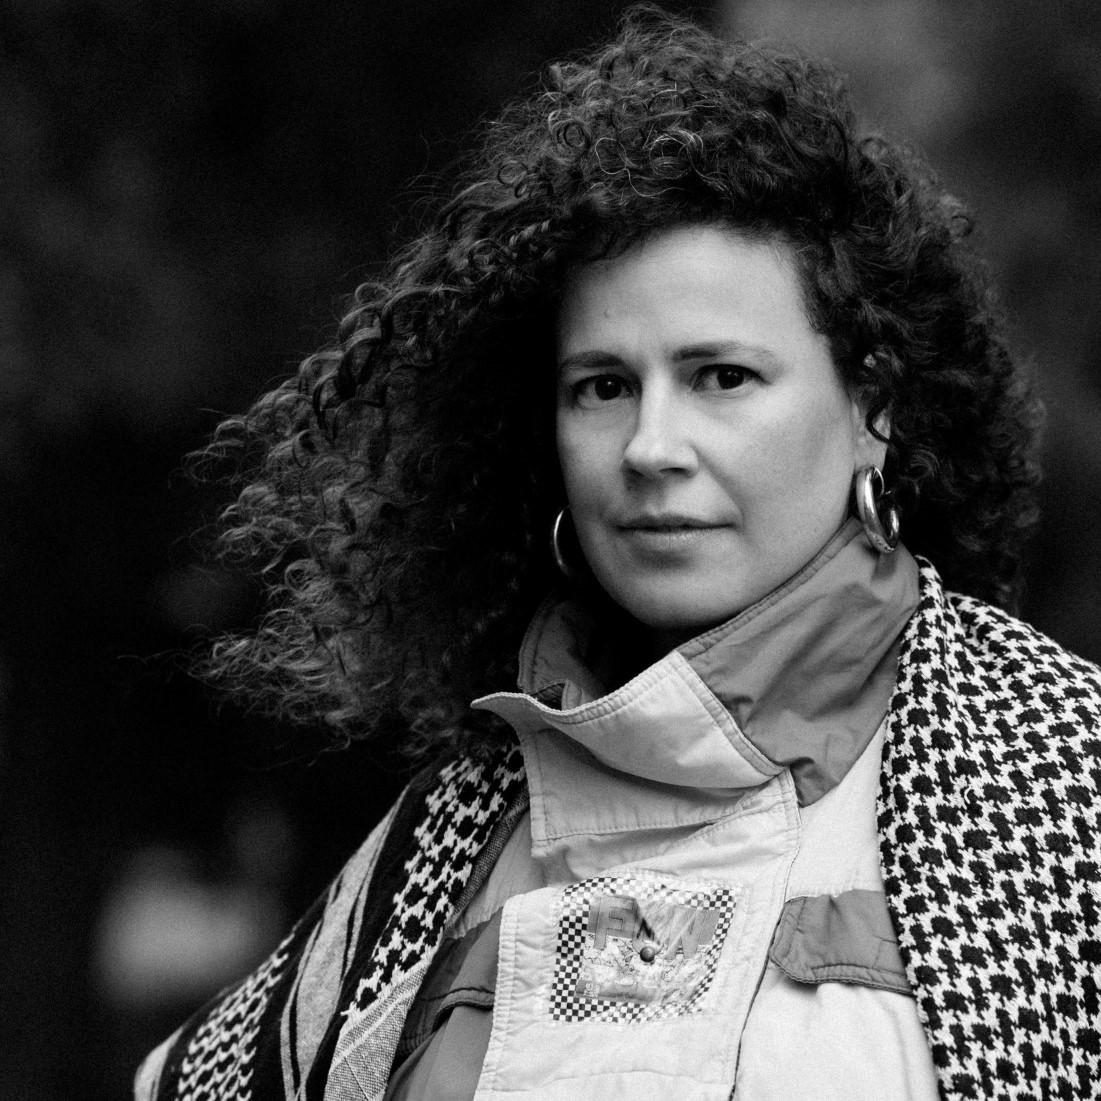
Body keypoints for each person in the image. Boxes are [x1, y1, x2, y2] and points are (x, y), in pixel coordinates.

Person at [135, 8, 1101, 1100]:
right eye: (603, 387)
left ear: (872, 407)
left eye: (721, 377)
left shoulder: (1063, 791)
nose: (649, 448)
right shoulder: (440, 844)